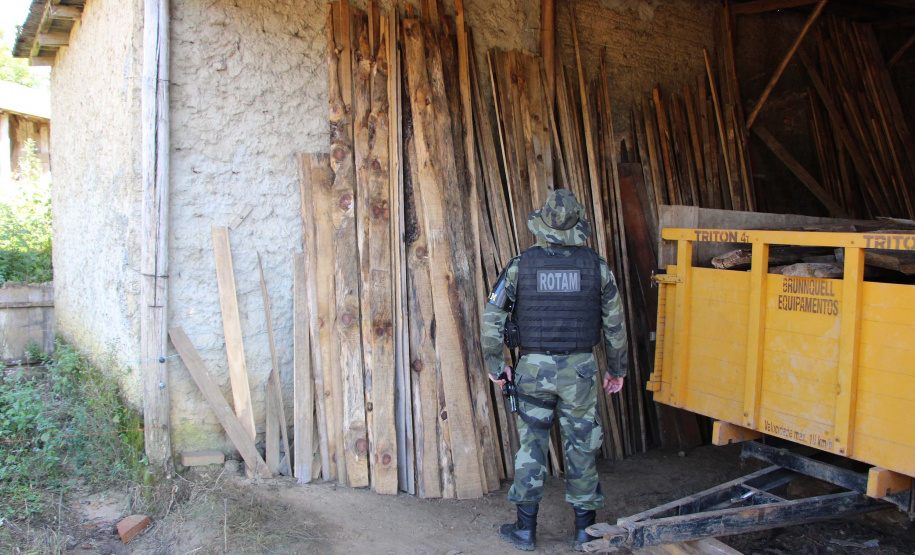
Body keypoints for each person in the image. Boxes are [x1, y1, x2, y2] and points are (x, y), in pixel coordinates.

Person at [481, 189, 628, 552]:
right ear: (577, 225)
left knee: (530, 446)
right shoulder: (598, 267)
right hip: (580, 370)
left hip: (533, 369)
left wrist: (495, 365)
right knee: (582, 446)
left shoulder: (520, 265)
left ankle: (525, 532)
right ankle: (584, 534)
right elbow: (615, 325)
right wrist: (616, 369)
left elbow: (492, 318)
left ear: (544, 224)